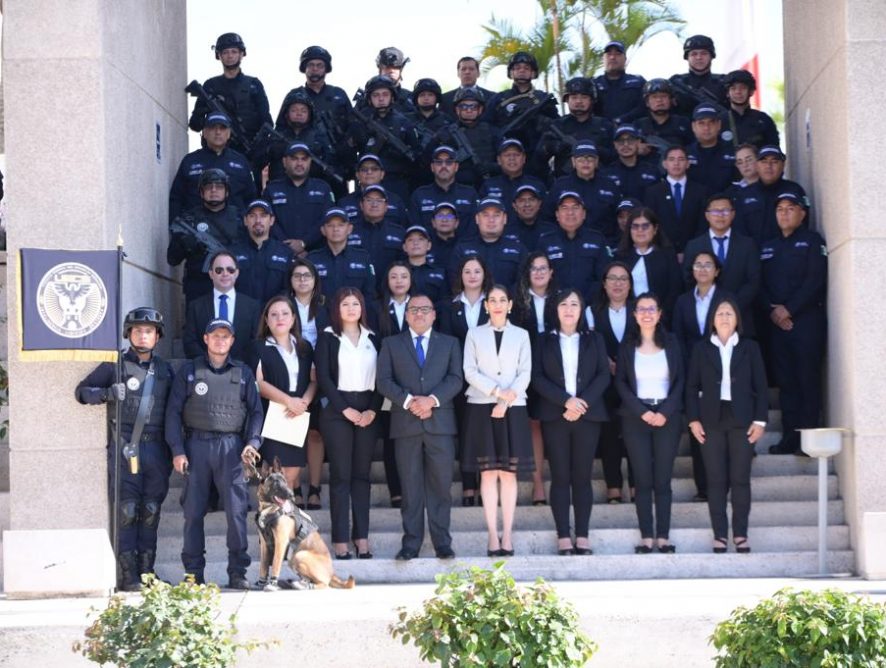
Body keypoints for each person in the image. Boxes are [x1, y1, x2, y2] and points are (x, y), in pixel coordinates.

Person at [75, 308, 173, 591]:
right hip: (124, 449)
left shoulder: (166, 370)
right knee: (127, 512)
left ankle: (147, 575)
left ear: (157, 336)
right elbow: (81, 392)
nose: (144, 335)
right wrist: (105, 394)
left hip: (156, 451)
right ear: (128, 333)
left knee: (151, 510)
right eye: (138, 330)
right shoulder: (114, 365)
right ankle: (128, 577)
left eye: (149, 331)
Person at [165, 318, 263, 588]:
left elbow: (256, 412)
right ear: (206, 339)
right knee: (193, 513)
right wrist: (177, 450)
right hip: (196, 447)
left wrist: (252, 442)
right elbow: (172, 413)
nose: (220, 340)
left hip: (232, 450)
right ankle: (193, 574)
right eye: (215, 335)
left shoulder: (243, 373)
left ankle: (238, 573)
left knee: (236, 512)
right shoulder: (189, 371)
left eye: (226, 336)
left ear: (232, 341)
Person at [377, 295, 465, 560]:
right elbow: (383, 380)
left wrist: (432, 400)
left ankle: (442, 543)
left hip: (440, 425)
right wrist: (408, 401)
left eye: (425, 309)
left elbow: (455, 378)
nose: (419, 314)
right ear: (406, 315)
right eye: (414, 309)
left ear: (434, 315)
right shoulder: (391, 344)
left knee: (441, 487)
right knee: (410, 487)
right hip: (406, 424)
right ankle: (411, 544)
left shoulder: (450, 343)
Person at [686, 297, 768, 553]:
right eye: (720, 313)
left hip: (742, 419)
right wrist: (693, 419)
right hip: (711, 418)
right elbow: (691, 387)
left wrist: (760, 420)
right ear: (712, 319)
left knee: (740, 478)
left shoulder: (750, 347)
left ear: (737, 319)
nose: (724, 317)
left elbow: (762, 387)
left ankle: (741, 534)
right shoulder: (701, 349)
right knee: (716, 479)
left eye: (729, 313)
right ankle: (720, 534)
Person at [532, 289, 610, 555]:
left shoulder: (594, 339)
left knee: (582, 476)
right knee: (561, 476)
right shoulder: (543, 341)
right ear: (555, 309)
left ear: (582, 310)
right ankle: (563, 535)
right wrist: (566, 401)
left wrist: (581, 403)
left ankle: (583, 535)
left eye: (574, 304)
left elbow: (603, 375)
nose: (568, 309)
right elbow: (537, 377)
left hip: (588, 416)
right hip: (556, 415)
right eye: (563, 304)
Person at [462, 285, 533, 557]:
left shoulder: (522, 335)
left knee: (509, 473)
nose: (498, 304)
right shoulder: (474, 334)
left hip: (514, 407)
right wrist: (495, 393)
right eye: (493, 300)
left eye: (503, 299)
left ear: (511, 305)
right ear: (486, 306)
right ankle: (492, 535)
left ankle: (508, 535)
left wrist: (505, 399)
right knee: (489, 472)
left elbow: (525, 372)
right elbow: (469, 371)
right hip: (482, 406)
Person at [314, 288, 382, 559]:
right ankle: (340, 540)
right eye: (345, 304)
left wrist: (372, 411)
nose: (351, 308)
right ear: (337, 308)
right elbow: (324, 378)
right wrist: (345, 410)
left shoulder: (373, 338)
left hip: (368, 411)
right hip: (337, 412)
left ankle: (361, 538)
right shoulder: (328, 337)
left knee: (361, 477)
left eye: (356, 303)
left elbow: (383, 377)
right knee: (341, 476)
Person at [615, 293, 684, 554]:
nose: (646, 313)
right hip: (636, 417)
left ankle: (663, 537)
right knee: (642, 479)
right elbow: (620, 382)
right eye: (641, 309)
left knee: (663, 479)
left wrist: (664, 411)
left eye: (651, 309)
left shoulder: (673, 343)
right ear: (634, 315)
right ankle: (646, 537)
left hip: (667, 415)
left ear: (659, 313)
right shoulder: (627, 345)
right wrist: (641, 411)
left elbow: (681, 380)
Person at [761, 192, 828, 455]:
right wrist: (774, 311)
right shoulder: (767, 246)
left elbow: (815, 281)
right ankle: (790, 437)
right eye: (780, 209)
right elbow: (761, 285)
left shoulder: (812, 242)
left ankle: (809, 438)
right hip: (777, 325)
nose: (785, 213)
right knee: (786, 383)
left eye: (791, 208)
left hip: (806, 322)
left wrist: (789, 310)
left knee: (806, 379)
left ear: (802, 214)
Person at [671, 250, 733, 502]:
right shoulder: (683, 301)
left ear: (717, 270)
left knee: (724, 430)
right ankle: (704, 487)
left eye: (708, 265)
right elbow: (677, 336)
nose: (703, 269)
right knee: (699, 431)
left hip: (723, 372)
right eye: (698, 264)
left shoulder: (727, 299)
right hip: (691, 372)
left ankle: (724, 485)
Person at [247, 296, 317, 506]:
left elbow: (314, 381)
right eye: (274, 314)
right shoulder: (258, 347)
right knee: (278, 474)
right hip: (273, 414)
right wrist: (289, 401)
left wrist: (303, 402)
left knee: (293, 473)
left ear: (294, 318)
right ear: (266, 320)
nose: (280, 318)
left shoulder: (305, 348)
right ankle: (275, 520)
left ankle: (285, 521)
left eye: (285, 313)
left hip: (298, 414)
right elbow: (258, 383)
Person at [436, 255, 492, 506]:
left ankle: (485, 485)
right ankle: (469, 485)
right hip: (458, 379)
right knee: (465, 431)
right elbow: (448, 342)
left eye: (476, 271)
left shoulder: (493, 303)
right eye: (467, 271)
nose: (472, 276)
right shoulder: (449, 305)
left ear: (484, 275)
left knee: (485, 432)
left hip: (487, 379)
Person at [511, 251, 558, 505]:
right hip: (525, 368)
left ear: (551, 273)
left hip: (559, 370)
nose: (538, 272)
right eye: (533, 268)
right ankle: (538, 484)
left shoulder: (563, 299)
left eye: (543, 268)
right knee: (534, 425)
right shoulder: (516, 302)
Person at [682, 193, 761, 336]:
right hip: (703, 318)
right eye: (715, 211)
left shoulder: (748, 245)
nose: (720, 215)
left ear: (733, 214)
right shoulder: (694, 245)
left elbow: (753, 282)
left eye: (725, 211)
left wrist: (731, 306)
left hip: (740, 318)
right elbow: (688, 279)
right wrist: (709, 305)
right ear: (707, 215)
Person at [590, 262, 636, 504]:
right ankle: (614, 486)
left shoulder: (640, 310)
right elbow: (589, 343)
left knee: (634, 433)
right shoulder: (592, 311)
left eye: (623, 279)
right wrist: (605, 361)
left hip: (636, 383)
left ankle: (637, 484)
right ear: (604, 283)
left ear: (630, 285)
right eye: (613, 278)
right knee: (608, 434)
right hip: (605, 383)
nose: (618, 283)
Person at [188, 32, 272, 165]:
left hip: (248, 155)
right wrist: (203, 110)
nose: (230, 56)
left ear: (241, 54)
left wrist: (258, 149)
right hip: (216, 154)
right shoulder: (210, 86)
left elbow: (267, 122)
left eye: (234, 51)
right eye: (225, 52)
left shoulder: (253, 85)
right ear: (219, 55)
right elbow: (195, 125)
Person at [369, 261, 413, 509]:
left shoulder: (421, 306)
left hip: (416, 384)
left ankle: (413, 488)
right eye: (393, 276)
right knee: (390, 437)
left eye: (403, 276)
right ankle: (396, 490)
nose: (398, 281)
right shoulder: (377, 309)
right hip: (387, 384)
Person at [167, 167, 247, 304]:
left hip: (233, 286)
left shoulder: (240, 218)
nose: (214, 190)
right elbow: (172, 259)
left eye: (219, 187)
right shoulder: (189, 219)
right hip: (199, 287)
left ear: (227, 192)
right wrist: (185, 244)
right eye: (209, 187)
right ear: (201, 192)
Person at [288, 259, 329, 509]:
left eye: (307, 275)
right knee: (291, 433)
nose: (302, 280)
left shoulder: (326, 306)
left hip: (321, 373)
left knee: (315, 433)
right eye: (297, 275)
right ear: (291, 280)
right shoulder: (282, 305)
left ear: (315, 280)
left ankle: (314, 488)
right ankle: (293, 487)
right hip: (291, 372)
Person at [171, 112, 256, 222]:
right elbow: (176, 198)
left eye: (222, 128)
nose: (218, 132)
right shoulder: (190, 161)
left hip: (235, 230)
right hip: (197, 228)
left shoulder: (241, 162)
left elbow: (251, 197)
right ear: (205, 133)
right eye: (212, 128)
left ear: (229, 133)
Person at [347, 75, 420, 201]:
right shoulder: (360, 122)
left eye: (385, 94)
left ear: (392, 97)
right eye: (376, 95)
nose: (381, 99)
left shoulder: (404, 123)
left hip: (396, 181)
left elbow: (416, 155)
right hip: (367, 180)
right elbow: (348, 153)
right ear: (369, 99)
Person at [182, 251, 261, 362]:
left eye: (230, 270)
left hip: (242, 371)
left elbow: (256, 343)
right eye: (219, 270)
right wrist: (210, 363)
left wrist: (238, 366)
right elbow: (190, 342)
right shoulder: (196, 306)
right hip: (206, 371)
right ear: (211, 274)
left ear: (237, 273)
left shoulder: (252, 306)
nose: (225, 273)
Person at [487, 52, 559, 172]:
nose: (522, 71)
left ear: (533, 72)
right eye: (517, 68)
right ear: (511, 72)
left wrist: (545, 123)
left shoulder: (543, 99)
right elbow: (486, 126)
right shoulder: (499, 99)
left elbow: (557, 126)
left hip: (536, 158)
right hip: (506, 157)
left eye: (526, 68)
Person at [261, 142, 335, 256]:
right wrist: (288, 246)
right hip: (278, 254)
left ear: (310, 161)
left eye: (304, 159)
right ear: (284, 162)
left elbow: (326, 220)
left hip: (316, 255)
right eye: (294, 159)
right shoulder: (271, 189)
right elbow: (267, 221)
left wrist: (304, 243)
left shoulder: (323, 188)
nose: (299, 163)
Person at [541, 143, 621, 245]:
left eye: (590, 159)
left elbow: (619, 219)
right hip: (567, 243)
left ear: (596, 161)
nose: (586, 163)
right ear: (573, 162)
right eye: (581, 159)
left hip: (603, 244)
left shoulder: (609, 185)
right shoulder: (560, 185)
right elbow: (547, 217)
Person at [536, 191, 610, 302]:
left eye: (575, 207)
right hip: (554, 306)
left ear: (584, 214)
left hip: (591, 306)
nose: (570, 212)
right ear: (557, 215)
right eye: (564, 208)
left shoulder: (597, 240)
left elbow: (604, 277)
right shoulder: (546, 241)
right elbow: (539, 278)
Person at [535, 76, 615, 175]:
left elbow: (615, 156)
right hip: (566, 184)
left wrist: (592, 149)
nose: (579, 101)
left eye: (584, 97)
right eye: (574, 97)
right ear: (567, 100)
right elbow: (538, 158)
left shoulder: (604, 126)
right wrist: (554, 147)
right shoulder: (557, 126)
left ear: (592, 100)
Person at [732, 145, 808, 247]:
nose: (768, 166)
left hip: (789, 254)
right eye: (764, 162)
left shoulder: (795, 190)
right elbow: (740, 232)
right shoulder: (744, 195)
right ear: (757, 165)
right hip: (756, 257)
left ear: (783, 165)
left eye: (774, 161)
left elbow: (804, 224)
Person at [615, 208, 682, 320]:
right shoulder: (621, 257)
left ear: (655, 229)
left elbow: (675, 289)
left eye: (645, 226)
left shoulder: (667, 255)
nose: (640, 230)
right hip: (626, 319)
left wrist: (660, 315)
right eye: (635, 226)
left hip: (661, 319)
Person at [449, 198, 528, 291]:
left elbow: (524, 283)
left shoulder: (518, 250)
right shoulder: (462, 249)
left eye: (496, 215)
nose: (491, 220)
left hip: (508, 304)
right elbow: (455, 283)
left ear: (505, 219)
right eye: (485, 215)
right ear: (477, 219)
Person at [642, 145, 710, 254]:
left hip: (694, 251)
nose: (676, 163)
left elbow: (703, 224)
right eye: (672, 159)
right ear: (664, 164)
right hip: (662, 251)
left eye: (681, 159)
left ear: (688, 164)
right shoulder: (653, 192)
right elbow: (651, 223)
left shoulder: (700, 191)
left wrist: (691, 249)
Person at [431, 88, 502, 189]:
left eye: (473, 106)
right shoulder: (445, 133)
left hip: (488, 185)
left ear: (480, 109)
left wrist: (491, 167)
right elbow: (429, 161)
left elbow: (507, 161)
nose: (469, 110)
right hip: (455, 187)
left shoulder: (493, 131)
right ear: (457, 109)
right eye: (464, 106)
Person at [229, 199, 294, 305]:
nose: (258, 220)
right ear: (245, 220)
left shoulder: (285, 253)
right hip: (241, 315)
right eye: (252, 216)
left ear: (272, 220)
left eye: (263, 215)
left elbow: (289, 289)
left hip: (274, 316)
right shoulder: (232, 253)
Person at [306, 207, 376, 301]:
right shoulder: (312, 259)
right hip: (321, 314)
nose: (335, 229)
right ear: (323, 230)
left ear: (349, 229)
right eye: (330, 225)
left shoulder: (362, 258)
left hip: (353, 313)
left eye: (341, 225)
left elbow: (369, 294)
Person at [348, 185, 407, 293]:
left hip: (389, 294)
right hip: (356, 295)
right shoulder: (349, 231)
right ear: (361, 205)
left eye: (379, 200)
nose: (374, 204)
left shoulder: (399, 233)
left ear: (386, 206)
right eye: (369, 200)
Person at [409, 145, 479, 230]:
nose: (444, 166)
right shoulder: (419, 195)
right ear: (432, 167)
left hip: (465, 243)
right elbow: (416, 231)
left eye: (449, 162)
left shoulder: (469, 194)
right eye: (439, 162)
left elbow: (473, 230)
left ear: (456, 167)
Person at [480, 139, 547, 224]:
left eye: (516, 155)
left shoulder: (537, 185)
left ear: (524, 158)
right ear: (499, 160)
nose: (512, 158)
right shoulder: (488, 185)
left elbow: (545, 216)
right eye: (507, 155)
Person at [337, 154, 410, 227]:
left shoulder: (396, 201)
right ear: (357, 175)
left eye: (374, 169)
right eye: (364, 169)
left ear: (382, 174)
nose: (369, 172)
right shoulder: (344, 203)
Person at [634, 79, 694, 162]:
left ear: (671, 100)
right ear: (647, 102)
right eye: (654, 97)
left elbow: (694, 150)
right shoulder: (638, 125)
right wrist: (635, 150)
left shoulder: (684, 123)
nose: (659, 100)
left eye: (663, 96)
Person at [669, 34, 727, 117]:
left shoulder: (724, 82)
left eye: (704, 53)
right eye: (694, 54)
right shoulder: (675, 83)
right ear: (687, 57)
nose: (699, 57)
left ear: (712, 56)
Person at [720, 70, 780, 149]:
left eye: (743, 88)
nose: (738, 92)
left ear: (751, 91)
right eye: (733, 88)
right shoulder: (719, 121)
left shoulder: (763, 120)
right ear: (727, 93)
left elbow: (773, 152)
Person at [686, 103, 737, 194]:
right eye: (701, 123)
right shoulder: (684, 155)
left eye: (711, 122)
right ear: (693, 126)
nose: (706, 128)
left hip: (725, 206)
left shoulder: (733, 153)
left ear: (719, 125)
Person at [593, 40, 647, 124]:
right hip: (600, 132)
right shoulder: (593, 84)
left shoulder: (638, 82)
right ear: (603, 59)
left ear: (625, 59)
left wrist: (622, 120)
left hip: (633, 131)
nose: (612, 57)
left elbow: (646, 106)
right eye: (609, 54)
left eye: (617, 54)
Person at [603, 124, 660, 201]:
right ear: (615, 144)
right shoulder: (607, 173)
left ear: (638, 142)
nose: (626, 145)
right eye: (620, 141)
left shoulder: (652, 171)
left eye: (630, 140)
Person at [403, 225, 448, 303]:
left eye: (421, 239)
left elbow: (445, 301)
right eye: (410, 240)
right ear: (404, 247)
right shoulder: (397, 272)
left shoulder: (440, 272)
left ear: (429, 245)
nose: (415, 243)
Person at [505, 184, 555, 251]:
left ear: (539, 204)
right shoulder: (506, 232)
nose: (527, 204)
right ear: (514, 206)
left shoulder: (551, 231)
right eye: (522, 200)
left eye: (531, 199)